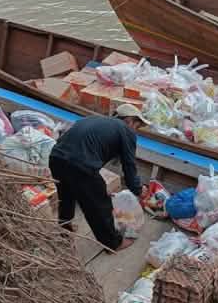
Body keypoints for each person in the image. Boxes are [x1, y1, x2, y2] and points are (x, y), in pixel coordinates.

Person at [48, 104, 147, 251]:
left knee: (66, 195)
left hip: (56, 158)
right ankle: (114, 243)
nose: (135, 131)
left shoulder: (94, 120)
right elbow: (129, 165)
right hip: (80, 166)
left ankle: (65, 230)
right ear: (129, 120)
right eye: (137, 126)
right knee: (99, 206)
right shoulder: (126, 130)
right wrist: (138, 189)